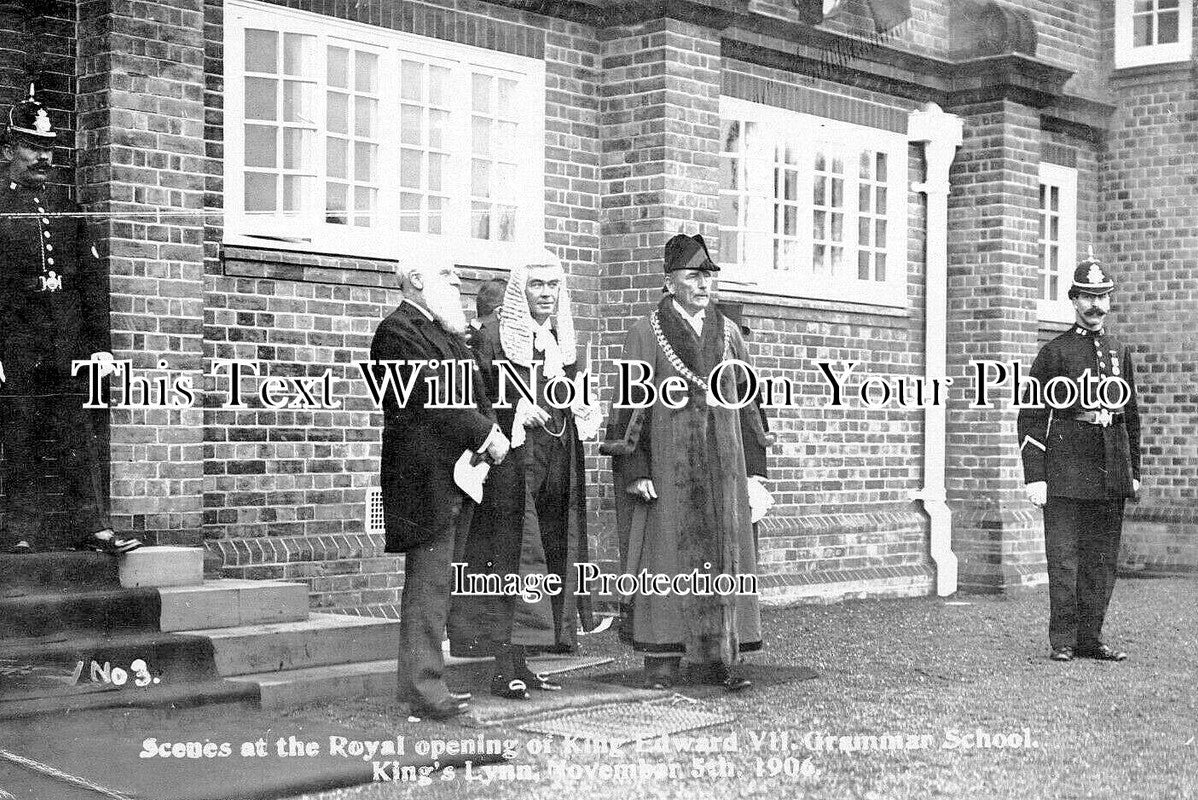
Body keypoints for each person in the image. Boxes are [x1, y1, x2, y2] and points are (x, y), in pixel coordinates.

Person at [601, 233, 766, 691]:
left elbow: (749, 404)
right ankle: (663, 660)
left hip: (724, 469)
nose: (703, 285)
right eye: (693, 277)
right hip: (668, 468)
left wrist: (756, 472)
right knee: (665, 558)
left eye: (708, 277)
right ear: (670, 282)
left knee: (724, 559)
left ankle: (717, 658)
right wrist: (635, 471)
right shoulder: (644, 331)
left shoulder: (730, 333)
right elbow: (629, 404)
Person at [449, 252, 599, 699]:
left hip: (555, 456)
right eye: (537, 285)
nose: (547, 294)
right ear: (520, 290)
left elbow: (575, 389)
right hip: (512, 462)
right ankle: (503, 665)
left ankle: (527, 660)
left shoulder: (561, 340)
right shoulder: (491, 338)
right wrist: (515, 411)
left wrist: (579, 404)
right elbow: (471, 399)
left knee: (550, 548)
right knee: (514, 555)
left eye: (553, 286)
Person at [369, 250, 510, 720]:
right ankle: (425, 691)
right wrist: (486, 433)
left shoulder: (444, 332)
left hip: (457, 475)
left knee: (439, 587)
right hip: (424, 480)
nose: (457, 281)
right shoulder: (397, 331)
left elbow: (477, 391)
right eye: (446, 274)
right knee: (428, 588)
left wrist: (489, 427)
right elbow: (434, 398)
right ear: (415, 279)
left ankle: (426, 686)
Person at [0, 85, 140, 555]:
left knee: (78, 432)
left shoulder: (68, 211)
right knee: (19, 431)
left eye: (48, 149)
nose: (42, 157)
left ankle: (95, 527)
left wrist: (100, 344)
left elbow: (90, 283)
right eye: (32, 146)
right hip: (17, 343)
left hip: (67, 343)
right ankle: (20, 531)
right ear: (8, 150)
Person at [1017, 256, 1141, 663]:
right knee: (1065, 559)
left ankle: (1093, 637)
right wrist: (1035, 477)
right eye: (1088, 297)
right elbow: (1032, 417)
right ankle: (1064, 641)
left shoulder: (1119, 351)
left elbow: (1132, 417)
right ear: (1073, 299)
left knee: (1101, 559)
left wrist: (1134, 471)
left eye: (1103, 297)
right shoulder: (1054, 353)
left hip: (1111, 469)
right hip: (1067, 470)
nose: (1096, 306)